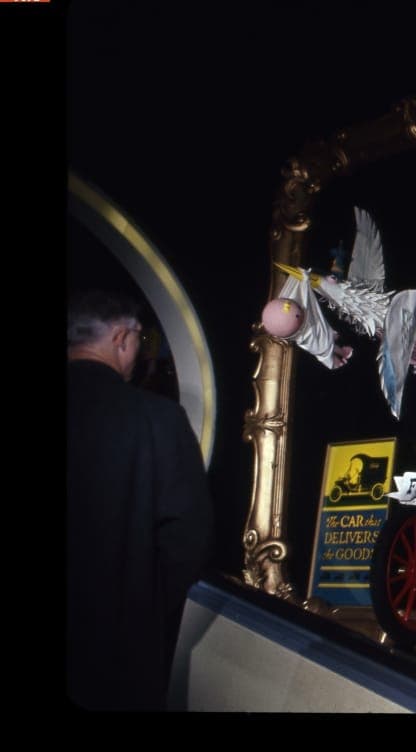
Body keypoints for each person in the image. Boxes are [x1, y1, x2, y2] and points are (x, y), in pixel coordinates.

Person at [67, 290, 214, 710]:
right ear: (121, 338)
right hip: (114, 658)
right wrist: (142, 606)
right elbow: (188, 538)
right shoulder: (157, 420)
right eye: (141, 340)